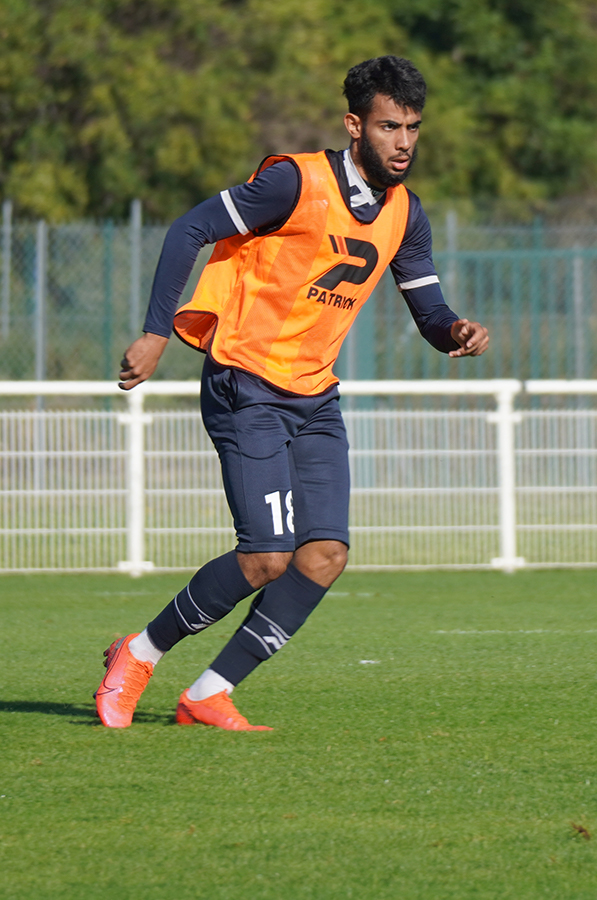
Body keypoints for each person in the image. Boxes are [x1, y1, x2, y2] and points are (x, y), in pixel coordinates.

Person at [95, 56, 489, 731]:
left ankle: (209, 692)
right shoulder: (293, 182)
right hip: (245, 384)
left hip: (315, 398)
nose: (403, 142)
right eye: (390, 126)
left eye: (413, 128)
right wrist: (155, 333)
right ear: (354, 124)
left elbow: (427, 310)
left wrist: (454, 329)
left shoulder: (405, 216)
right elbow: (189, 227)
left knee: (324, 556)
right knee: (265, 556)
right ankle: (137, 653)